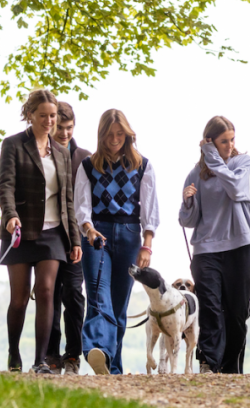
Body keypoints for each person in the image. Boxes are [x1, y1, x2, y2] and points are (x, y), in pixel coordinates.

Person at [0, 88, 82, 375]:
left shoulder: (61, 153)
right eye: (43, 115)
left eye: (53, 116)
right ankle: (13, 351)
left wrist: (74, 239)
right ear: (30, 115)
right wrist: (10, 216)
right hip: (20, 230)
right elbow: (5, 186)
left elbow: (67, 199)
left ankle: (41, 361)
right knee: (19, 299)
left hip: (52, 234)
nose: (49, 121)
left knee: (47, 291)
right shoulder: (13, 145)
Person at [74, 109, 160, 375]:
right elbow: (82, 206)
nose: (114, 139)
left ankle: (113, 365)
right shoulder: (88, 166)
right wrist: (88, 230)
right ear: (101, 135)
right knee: (99, 296)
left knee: (119, 303)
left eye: (119, 133)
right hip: (96, 234)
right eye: (109, 134)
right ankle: (97, 349)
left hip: (129, 235)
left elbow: (150, 209)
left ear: (127, 134)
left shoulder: (142, 165)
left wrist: (147, 245)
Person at [178, 116, 250, 374]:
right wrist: (188, 202)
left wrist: (212, 156)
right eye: (224, 141)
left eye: (232, 139)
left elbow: (235, 188)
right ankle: (209, 364)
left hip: (240, 248)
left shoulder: (242, 163)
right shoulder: (195, 173)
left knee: (237, 313)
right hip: (206, 250)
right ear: (211, 141)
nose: (230, 145)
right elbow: (187, 220)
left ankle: (231, 366)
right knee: (211, 309)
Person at [45, 101, 92, 375]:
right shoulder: (42, 154)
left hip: (76, 241)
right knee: (48, 296)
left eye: (69, 128)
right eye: (60, 128)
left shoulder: (85, 158)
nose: (65, 133)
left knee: (73, 294)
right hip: (47, 238)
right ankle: (51, 355)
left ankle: (73, 355)